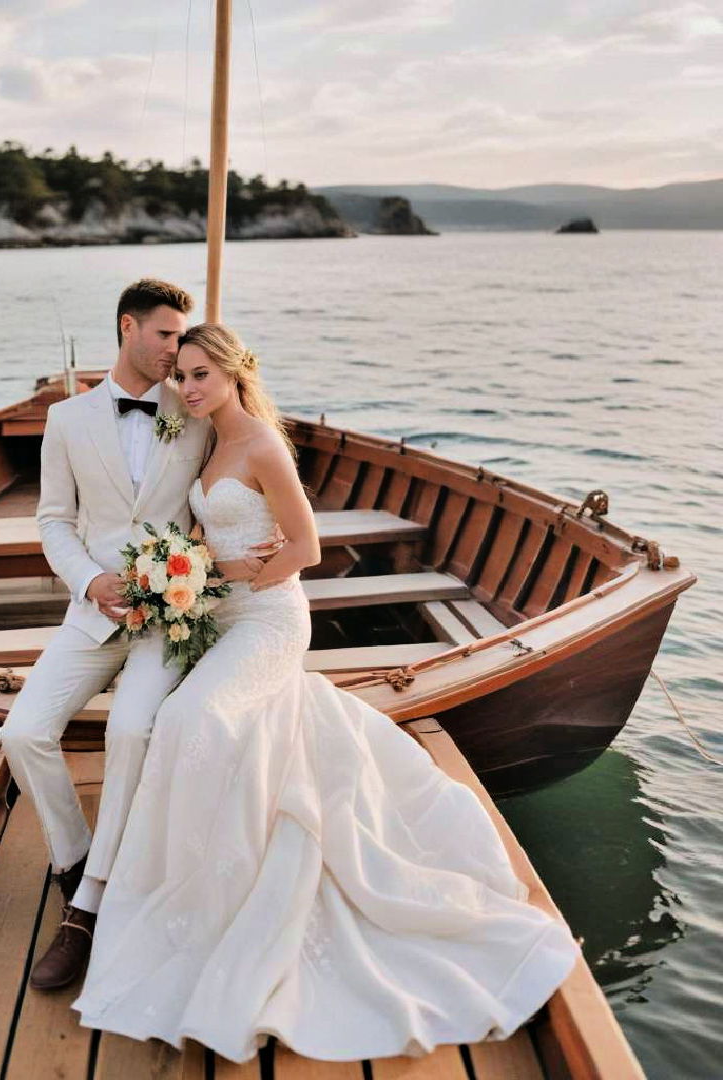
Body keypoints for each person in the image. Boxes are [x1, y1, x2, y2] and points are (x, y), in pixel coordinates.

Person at [71, 324, 580, 1062]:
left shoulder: (265, 447)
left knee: (192, 716)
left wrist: (216, 574)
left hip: (271, 620)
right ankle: (185, 885)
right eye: (180, 375)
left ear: (235, 374)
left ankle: (226, 899)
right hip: (217, 611)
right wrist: (186, 570)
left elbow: (306, 551)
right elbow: (207, 539)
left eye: (201, 374)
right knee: (203, 725)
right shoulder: (205, 442)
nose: (187, 388)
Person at [0, 283, 278, 991]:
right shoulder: (66, 420)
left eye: (184, 344)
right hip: (93, 611)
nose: (176, 354)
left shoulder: (193, 412)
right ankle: (74, 860)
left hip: (168, 615)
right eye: (164, 338)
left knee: (130, 733)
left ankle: (88, 912)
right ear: (128, 328)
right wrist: (89, 582)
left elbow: (244, 460)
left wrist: (254, 546)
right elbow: (54, 521)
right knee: (23, 731)